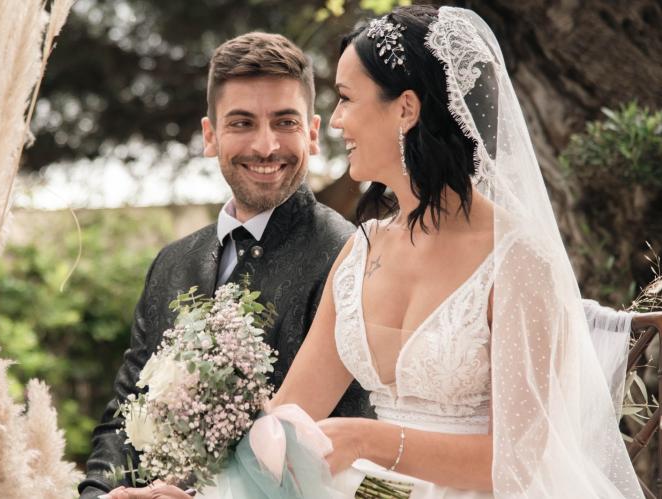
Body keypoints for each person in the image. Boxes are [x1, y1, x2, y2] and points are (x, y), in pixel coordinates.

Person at [136, 5, 645, 498]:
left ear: (405, 108)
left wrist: (369, 440)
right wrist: (193, 493)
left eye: (346, 99)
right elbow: (288, 415)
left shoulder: (517, 260)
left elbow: (517, 461)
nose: (336, 121)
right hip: (373, 491)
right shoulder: (362, 251)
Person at [78, 32, 372, 499]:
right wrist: (99, 493)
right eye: (241, 123)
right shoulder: (172, 263)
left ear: (313, 133)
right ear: (210, 135)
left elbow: (340, 444)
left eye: (285, 122)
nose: (265, 145)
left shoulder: (350, 256)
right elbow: (126, 410)